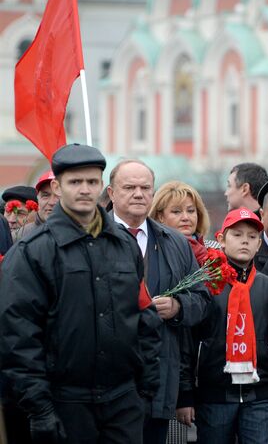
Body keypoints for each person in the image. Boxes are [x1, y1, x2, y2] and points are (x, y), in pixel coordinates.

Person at [0, 143, 162, 443]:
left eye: (91, 181)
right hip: (63, 403)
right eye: (75, 182)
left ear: (102, 186)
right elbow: (18, 336)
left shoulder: (123, 246)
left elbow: (144, 317)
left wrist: (145, 389)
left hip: (123, 403)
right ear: (57, 187)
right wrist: (40, 408)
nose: (85, 189)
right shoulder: (32, 252)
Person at [107, 160, 211, 444]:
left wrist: (178, 308)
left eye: (145, 188)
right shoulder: (93, 238)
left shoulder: (175, 242)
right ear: (111, 193)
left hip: (158, 382)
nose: (138, 194)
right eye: (129, 188)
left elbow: (202, 299)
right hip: (108, 383)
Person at [189, 207, 268, 444]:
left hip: (260, 395)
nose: (245, 242)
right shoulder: (207, 283)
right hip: (215, 394)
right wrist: (185, 394)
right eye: (237, 235)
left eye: (252, 237)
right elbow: (189, 341)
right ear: (221, 239)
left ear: (260, 245)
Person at [149, 180, 217, 264]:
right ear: (160, 216)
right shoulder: (150, 251)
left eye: (191, 211)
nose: (185, 217)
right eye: (176, 212)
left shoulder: (214, 250)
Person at [19, 170, 59, 238]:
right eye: (45, 195)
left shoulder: (79, 233)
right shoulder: (19, 236)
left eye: (58, 195)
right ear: (38, 198)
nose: (52, 202)